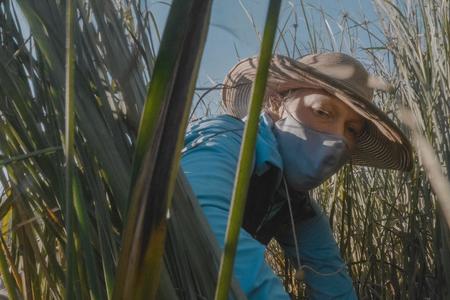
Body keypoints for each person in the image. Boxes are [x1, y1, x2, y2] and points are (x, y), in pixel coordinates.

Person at [181, 53, 412, 299]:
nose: (339, 138)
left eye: (352, 129)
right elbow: (198, 215)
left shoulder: (295, 204)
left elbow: (330, 277)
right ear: (275, 102)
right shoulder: (224, 139)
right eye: (323, 112)